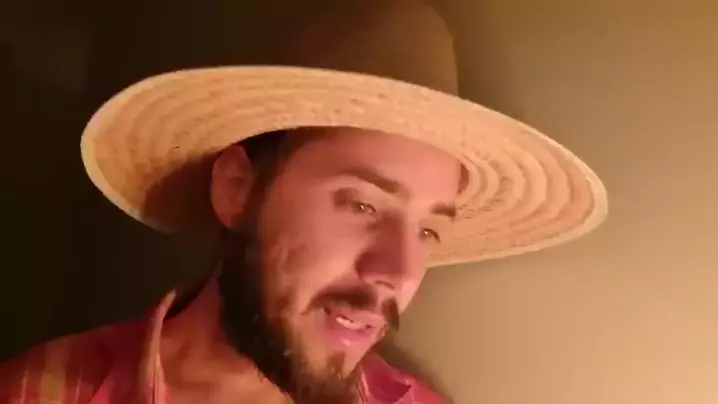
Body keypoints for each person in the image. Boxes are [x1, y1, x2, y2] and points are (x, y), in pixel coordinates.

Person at [0, 0, 608, 403]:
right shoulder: (42, 391)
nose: (397, 274)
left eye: (428, 231)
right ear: (237, 188)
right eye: (363, 206)